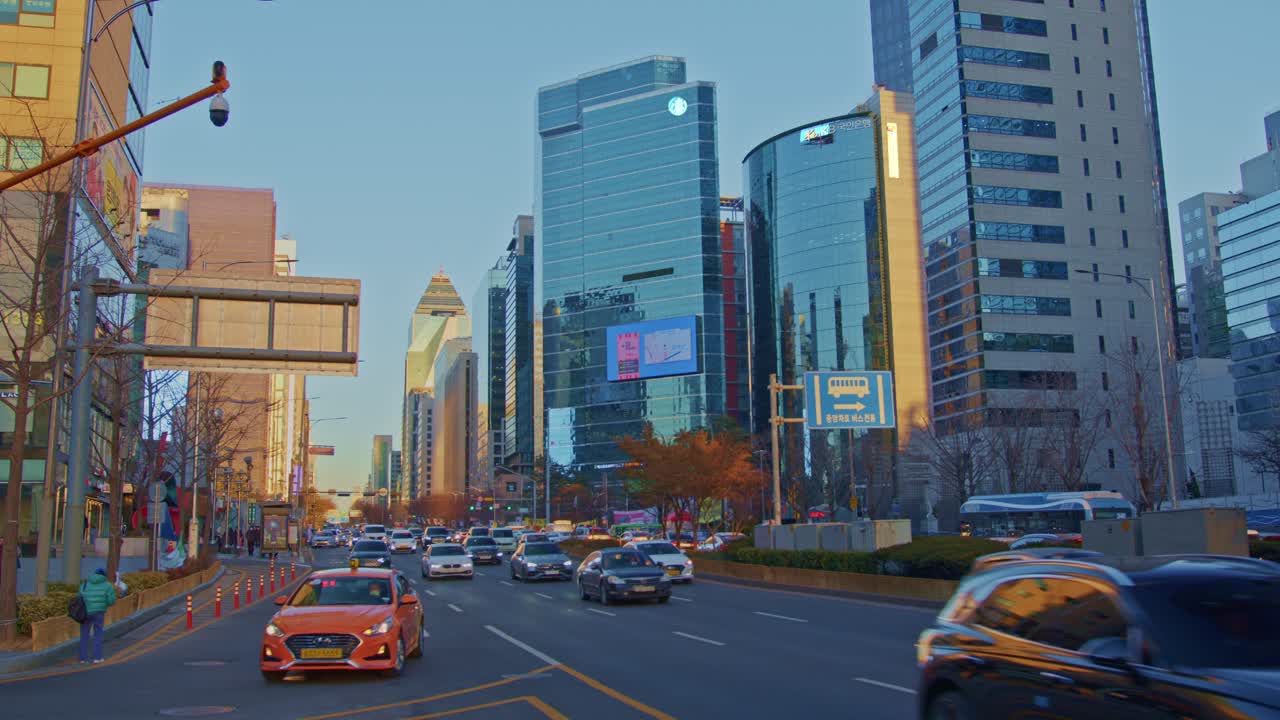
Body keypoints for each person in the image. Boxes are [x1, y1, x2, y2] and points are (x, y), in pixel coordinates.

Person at [79, 568, 117, 664]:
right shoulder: (107, 585)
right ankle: (97, 657)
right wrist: (104, 604)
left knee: (84, 635)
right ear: (104, 575)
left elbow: (80, 596)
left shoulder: (85, 584)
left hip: (85, 612)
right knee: (98, 634)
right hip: (99, 612)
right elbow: (111, 600)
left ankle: (83, 658)